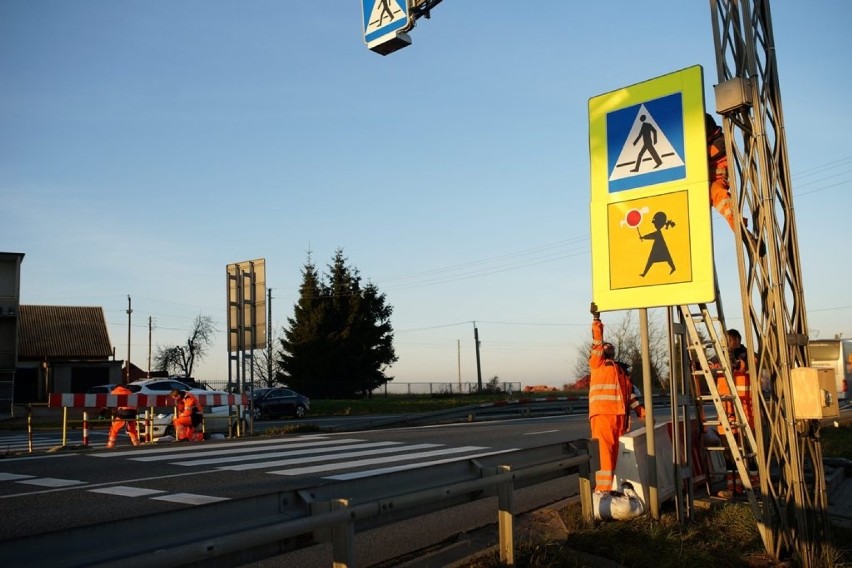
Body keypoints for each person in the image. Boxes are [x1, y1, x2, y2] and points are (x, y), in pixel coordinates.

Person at [588, 302, 646, 493]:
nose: (609, 346)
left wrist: (641, 412)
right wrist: (597, 320)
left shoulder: (620, 371)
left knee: (617, 456)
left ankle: (614, 490)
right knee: (605, 456)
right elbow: (597, 342)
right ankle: (602, 494)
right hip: (603, 416)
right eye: (606, 345)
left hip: (620, 418)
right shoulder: (598, 363)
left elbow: (630, 396)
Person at [706, 113, 736, 232]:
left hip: (716, 178)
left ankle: (741, 230)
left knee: (720, 197)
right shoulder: (703, 142)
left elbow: (704, 156)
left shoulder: (721, 141)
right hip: (701, 179)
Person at [107, 383, 140, 448]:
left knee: (115, 428)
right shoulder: (129, 392)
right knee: (132, 429)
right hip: (133, 412)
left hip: (123, 412)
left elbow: (110, 403)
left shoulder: (114, 392)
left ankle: (111, 444)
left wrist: (110, 410)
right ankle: (136, 443)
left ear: (116, 387)